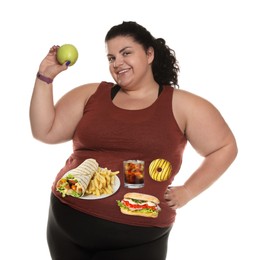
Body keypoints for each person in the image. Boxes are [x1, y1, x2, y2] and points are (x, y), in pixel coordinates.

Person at [29, 21, 238, 260]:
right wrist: (45, 77)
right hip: (66, 224)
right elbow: (43, 131)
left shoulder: (183, 105)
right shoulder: (91, 94)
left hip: (138, 238)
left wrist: (188, 191)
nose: (117, 63)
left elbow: (225, 147)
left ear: (149, 54)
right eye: (111, 57)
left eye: (126, 53)